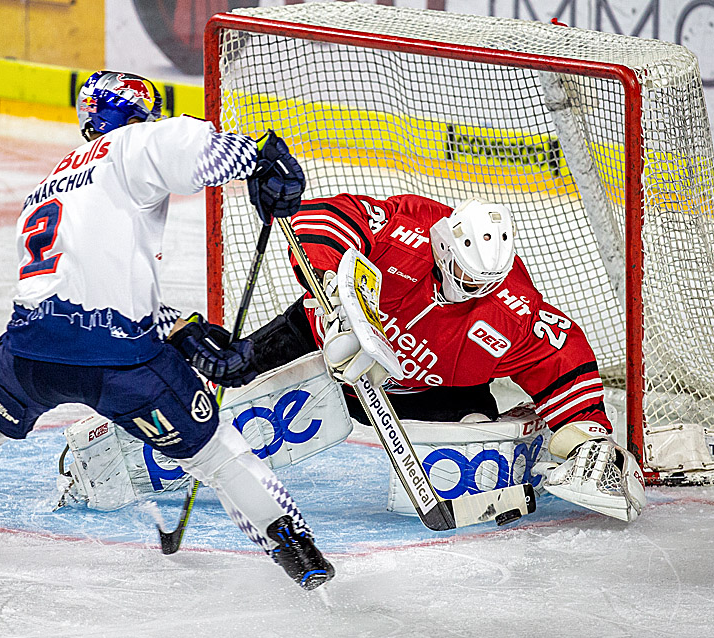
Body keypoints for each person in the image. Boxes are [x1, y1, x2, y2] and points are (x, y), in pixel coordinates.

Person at [0, 70, 334, 590]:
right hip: (121, 365)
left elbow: (90, 286)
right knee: (214, 452)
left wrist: (180, 330)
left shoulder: (48, 185)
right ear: (135, 114)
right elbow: (189, 145)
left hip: (27, 355)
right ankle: (296, 549)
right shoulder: (131, 144)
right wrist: (259, 155)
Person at [247, 192, 645, 521]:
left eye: (486, 282)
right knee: (231, 372)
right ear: (443, 246)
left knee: (481, 443)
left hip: (424, 394)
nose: (474, 289)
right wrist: (330, 285)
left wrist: (588, 432)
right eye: (468, 276)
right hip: (323, 343)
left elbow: (559, 353)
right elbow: (327, 216)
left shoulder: (511, 309)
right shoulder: (407, 229)